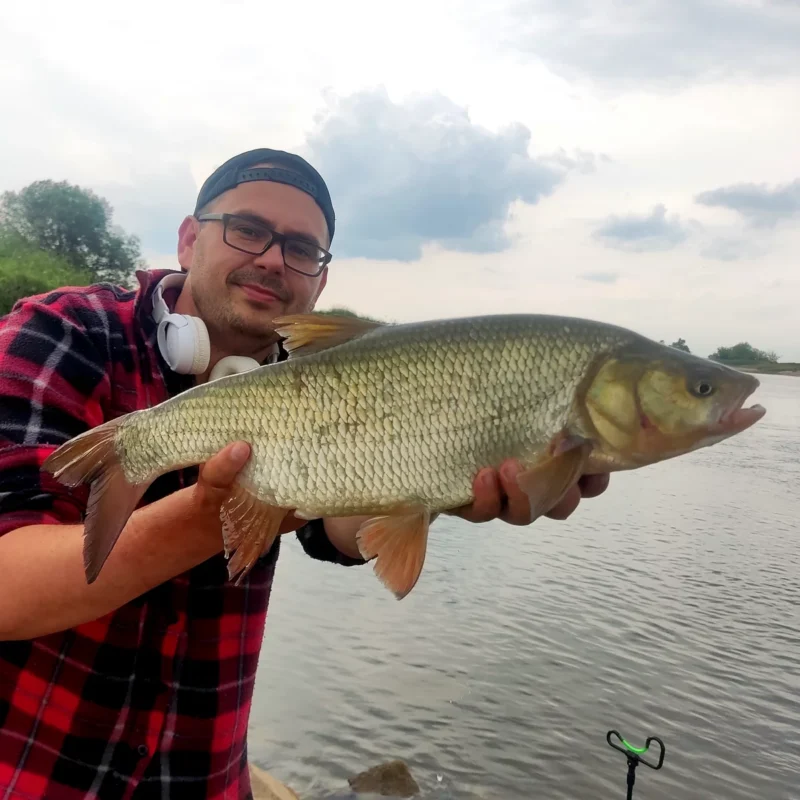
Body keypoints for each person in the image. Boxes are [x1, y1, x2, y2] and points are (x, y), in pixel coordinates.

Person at [0, 148, 610, 798]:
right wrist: (211, 516)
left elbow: (338, 529)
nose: (272, 259)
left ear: (320, 282)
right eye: (248, 230)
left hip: (205, 780)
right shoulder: (62, 333)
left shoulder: (331, 376)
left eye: (301, 249)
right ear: (187, 238)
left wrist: (436, 484)